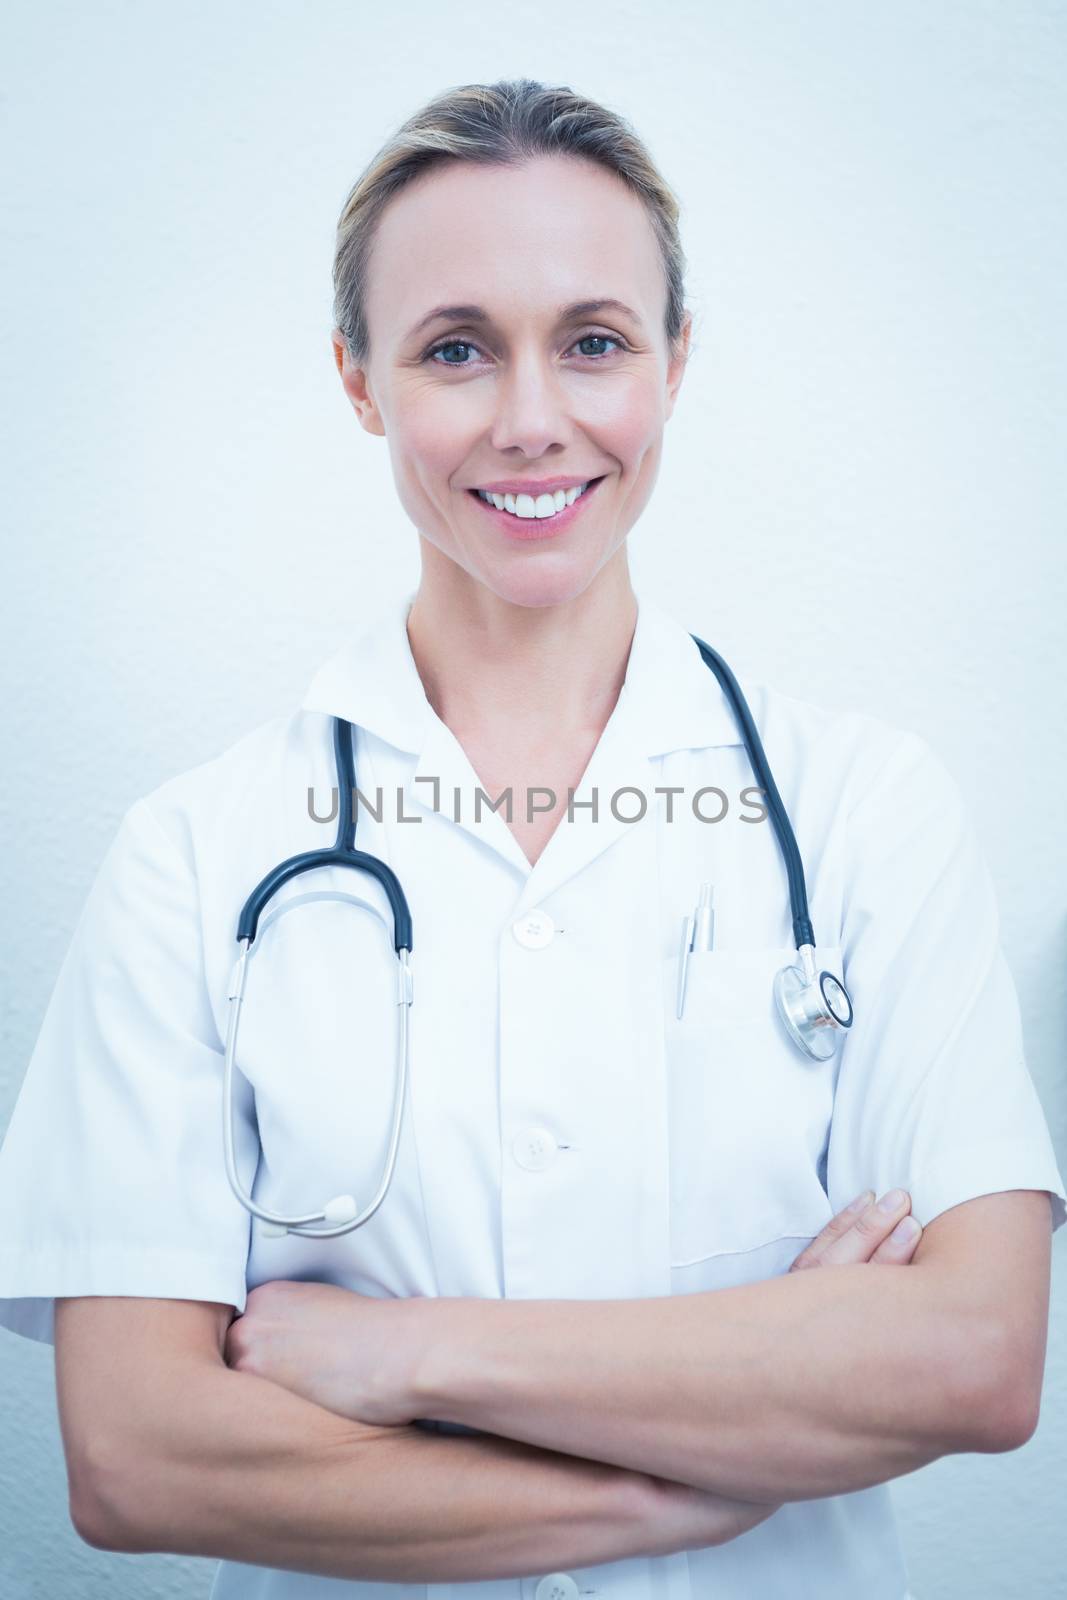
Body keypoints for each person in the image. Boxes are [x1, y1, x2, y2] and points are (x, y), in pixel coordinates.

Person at [0, 76, 1063, 1600]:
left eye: (593, 341)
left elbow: (974, 1360)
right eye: (453, 349)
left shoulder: (865, 811)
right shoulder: (195, 854)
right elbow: (133, 1452)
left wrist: (401, 1354)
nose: (531, 419)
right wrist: (700, 1476)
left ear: (675, 362)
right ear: (360, 380)